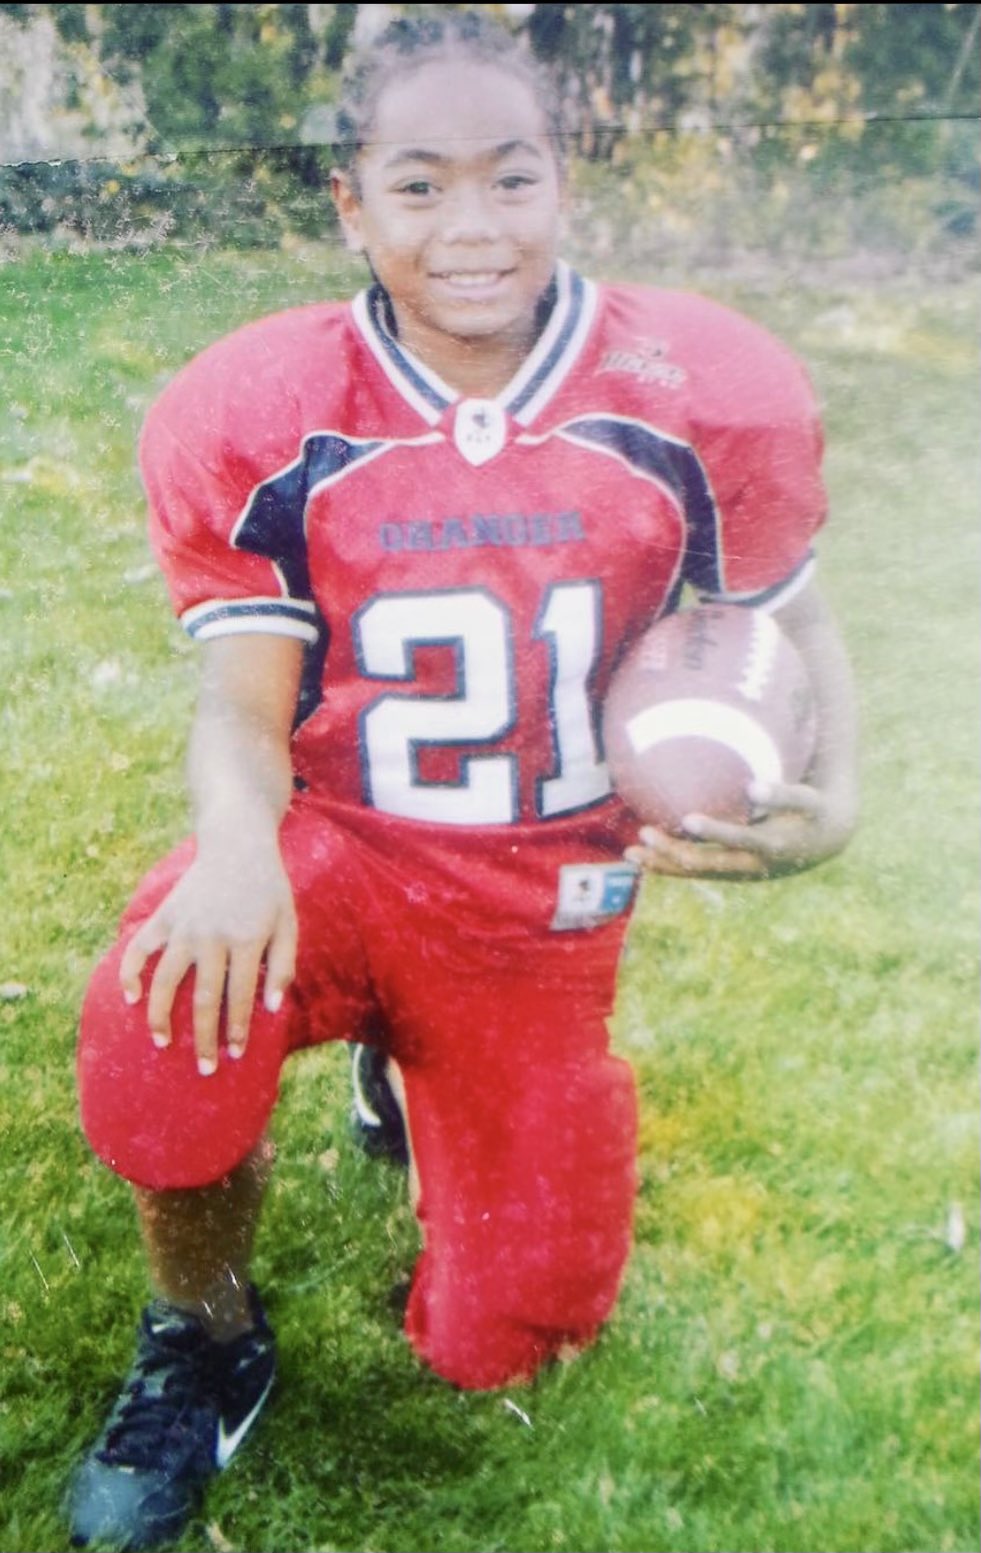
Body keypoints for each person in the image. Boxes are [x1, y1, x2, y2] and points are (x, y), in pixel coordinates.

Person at [68, 11, 858, 1550]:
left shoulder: (694, 382)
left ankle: (413, 1069)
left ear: (567, 184)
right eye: (418, 185)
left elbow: (789, 611)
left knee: (510, 1331)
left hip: (541, 892)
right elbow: (242, 700)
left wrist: (843, 792)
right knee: (159, 1006)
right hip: (343, 842)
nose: (471, 225)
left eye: (511, 176)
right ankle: (205, 1335)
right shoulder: (266, 405)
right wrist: (237, 845)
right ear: (349, 206)